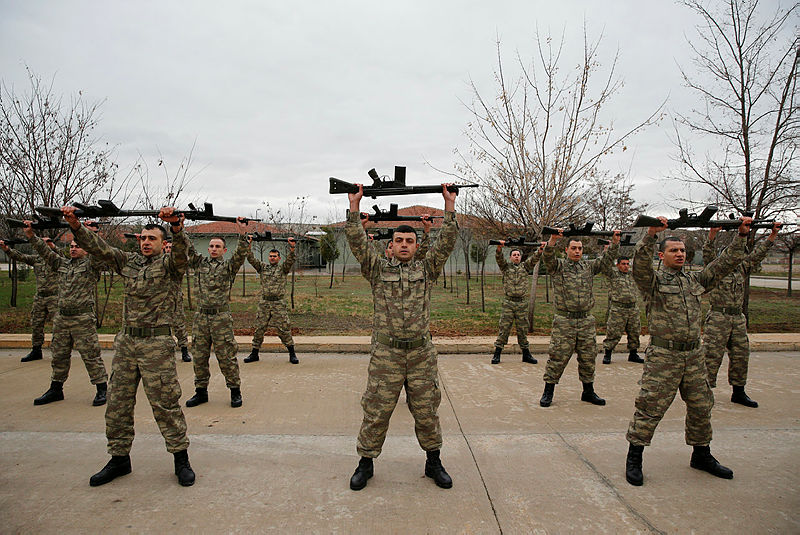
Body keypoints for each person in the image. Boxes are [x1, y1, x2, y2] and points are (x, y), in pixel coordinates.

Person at [63, 206, 195, 487]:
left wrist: (176, 227)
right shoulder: (128, 261)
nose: (146, 242)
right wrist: (76, 226)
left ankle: (180, 459)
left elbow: (182, 253)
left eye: (152, 239)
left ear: (162, 243)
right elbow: (98, 247)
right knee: (117, 404)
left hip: (156, 345)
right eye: (143, 238)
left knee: (165, 404)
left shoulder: (170, 265)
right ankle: (119, 458)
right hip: (126, 344)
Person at [624, 215, 752, 487]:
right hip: (664, 357)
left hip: (694, 356)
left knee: (701, 406)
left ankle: (701, 454)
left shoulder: (695, 280)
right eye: (674, 250)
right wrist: (651, 234)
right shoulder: (654, 282)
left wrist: (741, 236)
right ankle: (635, 457)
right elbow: (640, 266)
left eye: (682, 250)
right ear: (662, 255)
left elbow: (724, 264)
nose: (680, 254)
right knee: (650, 407)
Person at [346, 183, 458, 491]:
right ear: (391, 246)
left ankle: (433, 462)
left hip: (421, 355)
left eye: (410, 240)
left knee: (427, 411)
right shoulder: (377, 270)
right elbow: (357, 242)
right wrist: (354, 207)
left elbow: (447, 242)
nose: (405, 245)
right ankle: (365, 463)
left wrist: (449, 205)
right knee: (376, 411)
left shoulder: (427, 270)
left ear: (416, 245)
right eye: (399, 241)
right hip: (387, 356)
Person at [15, 226, 109, 406]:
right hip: (62, 318)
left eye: (77, 246)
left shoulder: (91, 265)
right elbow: (45, 252)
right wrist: (31, 236)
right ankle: (56, 389)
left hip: (82, 319)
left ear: (86, 249)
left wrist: (91, 234)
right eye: (71, 246)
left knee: (90, 355)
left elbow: (100, 251)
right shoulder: (62, 264)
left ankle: (101, 388)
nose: (73, 249)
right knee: (59, 354)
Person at [701, 222, 781, 408]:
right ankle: (704, 392)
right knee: (711, 356)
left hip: (737, 318)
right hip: (718, 317)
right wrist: (712, 235)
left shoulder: (742, 269)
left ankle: (738, 392)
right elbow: (708, 254)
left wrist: (772, 235)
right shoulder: (716, 270)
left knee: (741, 355)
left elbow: (758, 254)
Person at [539, 230, 620, 407]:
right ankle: (548, 391)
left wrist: (614, 243)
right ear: (566, 250)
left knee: (588, 357)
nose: (577, 251)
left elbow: (605, 261)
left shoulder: (588, 267)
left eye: (580, 248)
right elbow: (548, 258)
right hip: (564, 321)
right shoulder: (558, 266)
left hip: (585, 321)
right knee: (557, 357)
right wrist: (552, 240)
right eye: (574, 248)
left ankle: (588, 391)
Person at [184, 223, 249, 408]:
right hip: (201, 318)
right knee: (199, 356)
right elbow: (187, 247)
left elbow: (240, 254)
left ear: (224, 250)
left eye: (217, 246)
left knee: (227, 356)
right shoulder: (199, 263)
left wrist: (242, 233)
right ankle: (201, 392)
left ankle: (235, 390)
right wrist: (178, 228)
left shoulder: (228, 267)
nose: (213, 249)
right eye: (211, 246)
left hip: (221, 318)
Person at [0, 237, 59, 362]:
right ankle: (36, 350)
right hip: (40, 297)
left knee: (58, 325)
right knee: (36, 324)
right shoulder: (36, 259)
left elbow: (66, 258)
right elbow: (21, 257)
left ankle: (59, 351)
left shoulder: (56, 259)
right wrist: (7, 249)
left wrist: (53, 246)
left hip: (54, 297)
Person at [243, 237, 299, 364]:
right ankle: (254, 354)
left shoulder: (283, 269)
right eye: (271, 256)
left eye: (275, 256)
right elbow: (251, 259)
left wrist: (292, 247)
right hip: (264, 303)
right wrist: (249, 245)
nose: (272, 258)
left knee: (284, 329)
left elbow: (291, 260)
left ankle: (292, 354)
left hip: (278, 303)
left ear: (279, 258)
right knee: (259, 329)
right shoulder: (263, 268)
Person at [491, 241, 545, 364]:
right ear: (510, 257)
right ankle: (497, 354)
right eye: (514, 255)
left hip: (521, 304)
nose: (516, 256)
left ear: (520, 257)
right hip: (508, 303)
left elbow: (534, 259)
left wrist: (540, 249)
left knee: (522, 329)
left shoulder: (525, 267)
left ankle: (526, 354)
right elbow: (499, 259)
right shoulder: (506, 268)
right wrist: (499, 248)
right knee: (504, 328)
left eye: (518, 255)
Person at [601, 256, 644, 364]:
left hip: (633, 309)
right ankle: (607, 354)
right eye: (623, 264)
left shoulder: (632, 275)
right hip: (618, 309)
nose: (626, 266)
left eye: (627, 264)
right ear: (618, 265)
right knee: (613, 332)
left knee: (634, 332)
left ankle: (633, 354)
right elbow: (605, 265)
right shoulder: (613, 274)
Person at [163, 239, 192, 362]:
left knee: (179, 325)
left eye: (171, 247)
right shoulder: (158, 262)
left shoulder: (177, 263)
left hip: (175, 299)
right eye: (167, 247)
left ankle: (184, 350)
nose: (168, 250)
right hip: (161, 300)